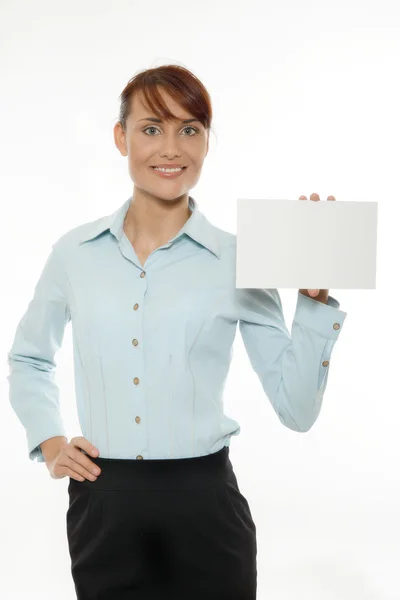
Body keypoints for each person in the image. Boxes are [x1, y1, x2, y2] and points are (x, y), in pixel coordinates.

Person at [6, 63, 347, 600]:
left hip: (205, 507)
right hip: (103, 505)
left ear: (208, 142)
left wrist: (312, 304)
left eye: (189, 129)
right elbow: (30, 358)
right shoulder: (73, 254)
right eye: (151, 128)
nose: (171, 148)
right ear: (121, 138)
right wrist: (48, 441)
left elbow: (296, 410)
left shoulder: (243, 257)